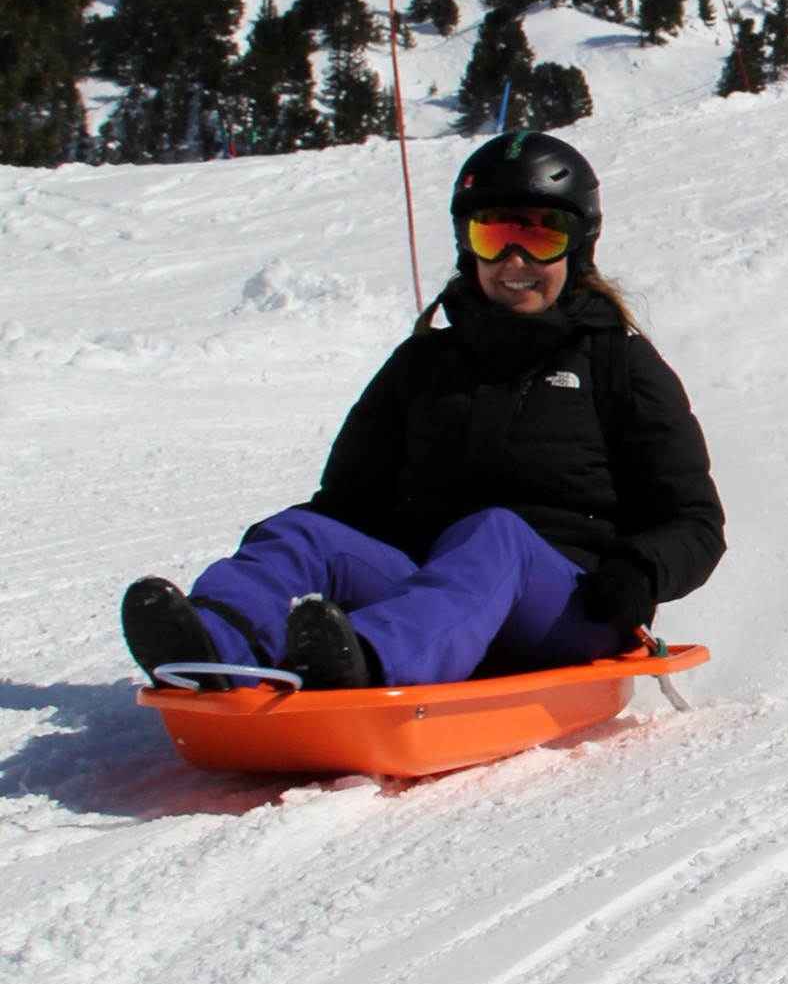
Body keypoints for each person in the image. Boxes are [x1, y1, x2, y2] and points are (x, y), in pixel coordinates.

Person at [122, 131, 725, 692]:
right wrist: (284, 552)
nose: (515, 260)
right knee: (307, 531)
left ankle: (365, 664)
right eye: (493, 235)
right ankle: (215, 645)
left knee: (496, 536)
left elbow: (694, 521)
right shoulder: (423, 363)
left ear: (580, 245)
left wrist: (639, 571)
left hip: (565, 608)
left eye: (542, 236)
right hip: (430, 594)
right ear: (468, 245)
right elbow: (348, 503)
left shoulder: (618, 364)